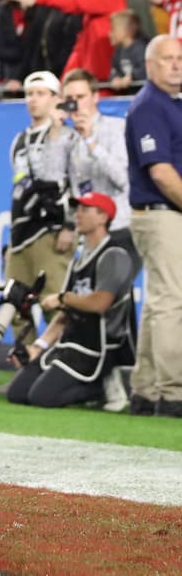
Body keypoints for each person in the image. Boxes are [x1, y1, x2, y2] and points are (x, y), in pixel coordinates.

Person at [7, 194, 136, 409]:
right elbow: (64, 313)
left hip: (97, 348)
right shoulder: (77, 262)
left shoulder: (114, 254)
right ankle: (89, 386)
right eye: (77, 210)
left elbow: (100, 303)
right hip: (69, 344)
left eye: (86, 210)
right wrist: (39, 346)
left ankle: (101, 386)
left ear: (103, 217)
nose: (78, 215)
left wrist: (62, 298)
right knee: (17, 393)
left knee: (42, 397)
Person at [125, 35, 182, 418]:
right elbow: (160, 172)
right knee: (171, 302)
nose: (176, 64)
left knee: (160, 301)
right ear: (149, 65)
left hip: (164, 211)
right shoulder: (149, 106)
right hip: (161, 210)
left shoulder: (170, 104)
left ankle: (145, 390)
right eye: (168, 59)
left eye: (180, 58)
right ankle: (173, 391)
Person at [5, 71, 78, 338]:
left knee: (55, 302)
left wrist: (70, 224)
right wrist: (12, 240)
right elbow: (19, 190)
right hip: (22, 234)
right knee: (15, 304)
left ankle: (61, 366)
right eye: (29, 94)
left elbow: (75, 182)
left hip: (52, 230)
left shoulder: (66, 137)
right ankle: (28, 369)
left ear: (55, 98)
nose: (33, 100)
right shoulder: (19, 141)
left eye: (40, 94)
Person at [60, 68, 135, 267]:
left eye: (81, 96)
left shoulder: (116, 128)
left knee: (111, 294)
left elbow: (123, 179)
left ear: (95, 97)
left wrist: (91, 142)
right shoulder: (66, 136)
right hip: (87, 233)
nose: (75, 104)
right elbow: (63, 186)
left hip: (118, 226)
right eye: (70, 98)